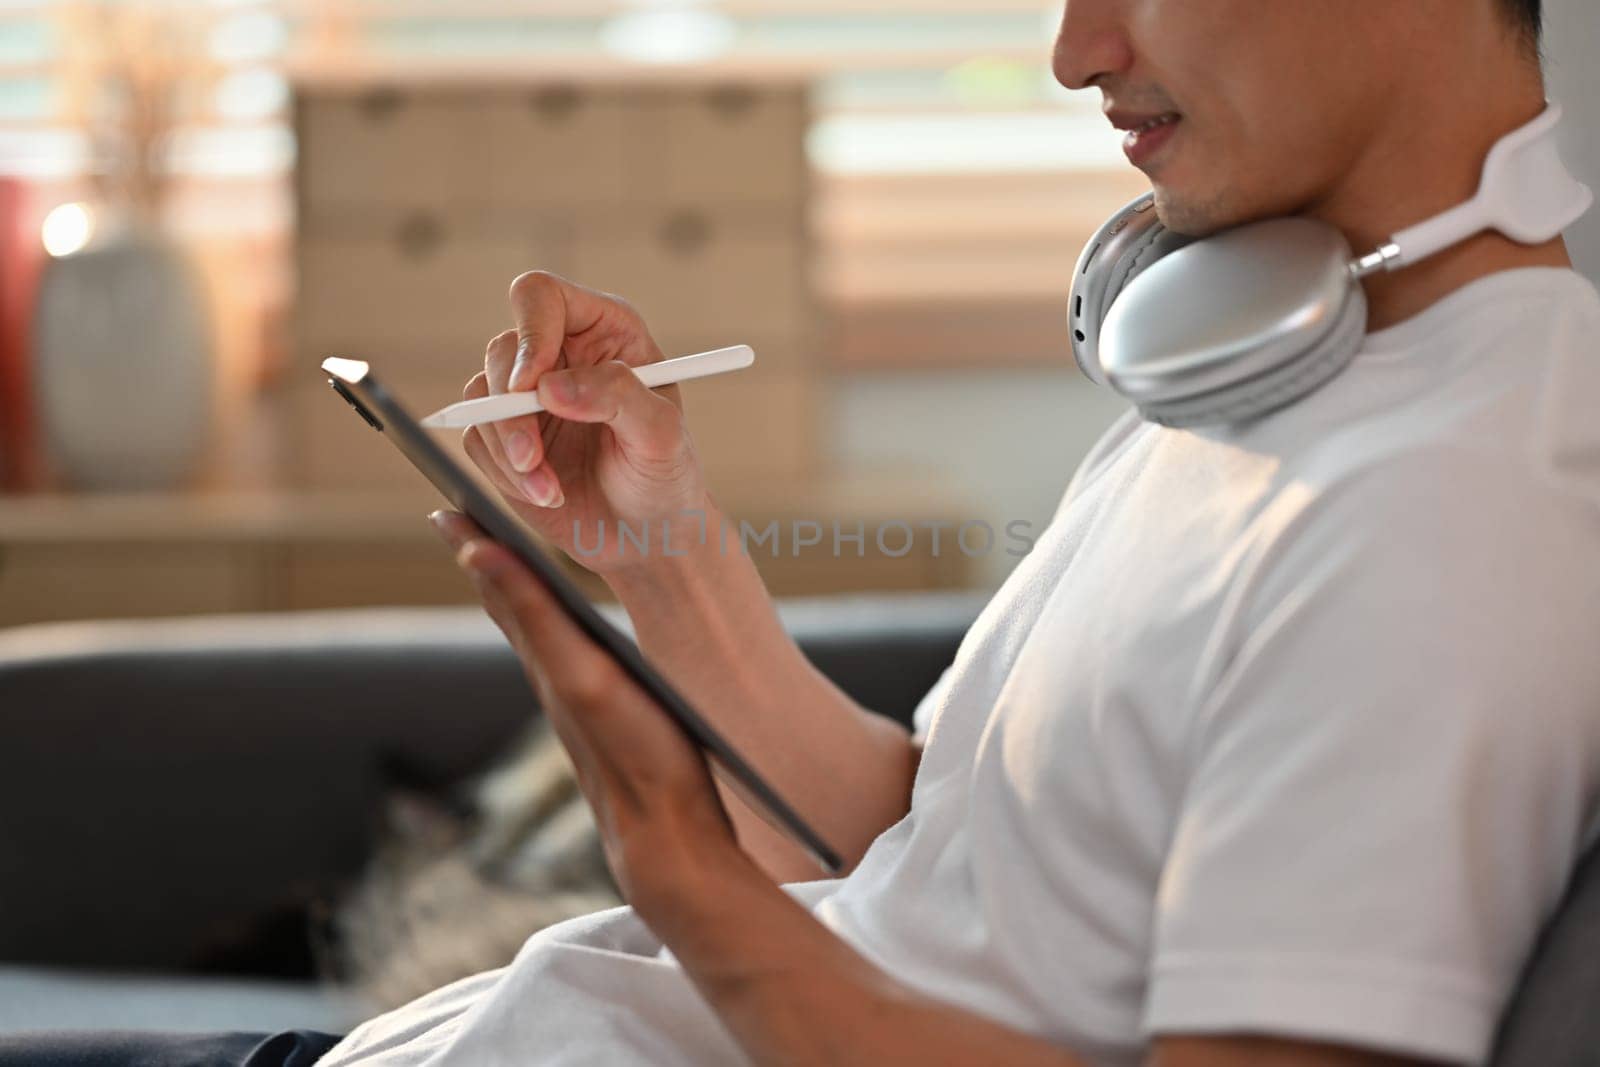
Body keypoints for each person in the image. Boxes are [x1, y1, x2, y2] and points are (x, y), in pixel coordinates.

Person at [5, 0, 1596, 1064]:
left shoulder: (1460, 505)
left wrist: (683, 876)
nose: (1074, 49)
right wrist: (663, 554)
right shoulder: (1285, 361)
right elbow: (930, 862)